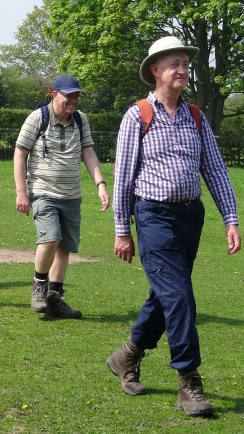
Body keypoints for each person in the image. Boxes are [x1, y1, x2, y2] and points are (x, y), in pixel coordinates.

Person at [107, 36, 241, 417]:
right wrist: (122, 229)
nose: (182, 70)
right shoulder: (138, 116)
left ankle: (127, 355)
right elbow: (124, 179)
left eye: (185, 63)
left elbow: (214, 170)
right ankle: (189, 381)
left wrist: (230, 219)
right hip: (152, 215)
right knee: (179, 296)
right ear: (156, 70)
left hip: (190, 217)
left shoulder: (196, 116)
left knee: (166, 295)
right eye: (174, 64)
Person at [13, 75, 110, 319]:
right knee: (50, 239)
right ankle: (39, 288)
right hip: (43, 192)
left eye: (76, 96)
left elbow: (88, 152)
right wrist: (21, 192)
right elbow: (19, 154)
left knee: (65, 246)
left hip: (72, 195)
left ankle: (55, 299)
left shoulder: (80, 120)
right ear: (54, 94)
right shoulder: (38, 118)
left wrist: (100, 184)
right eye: (69, 95)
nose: (73, 100)